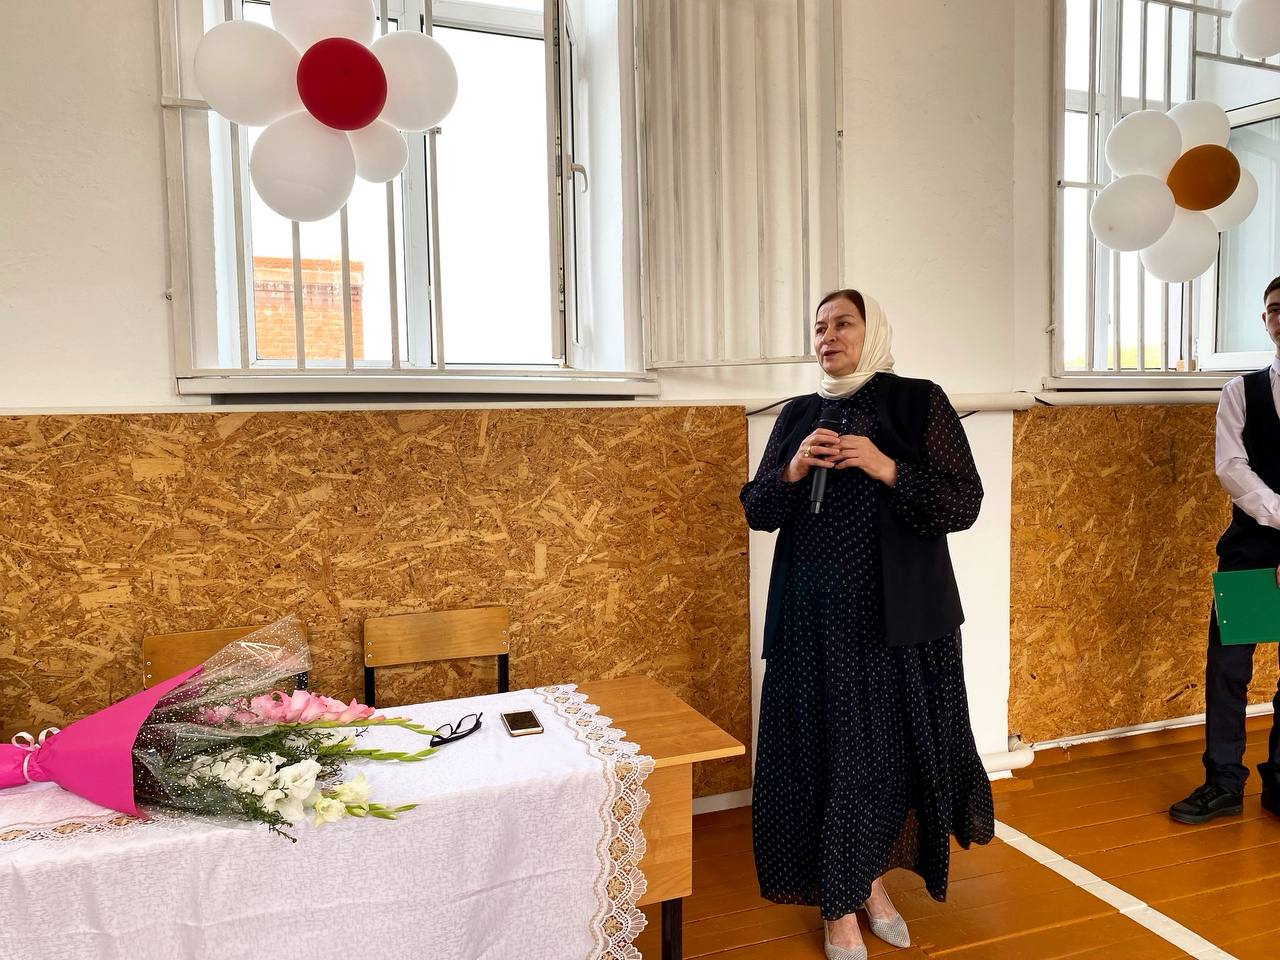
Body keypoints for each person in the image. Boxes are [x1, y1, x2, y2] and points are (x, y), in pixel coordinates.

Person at [741, 289, 994, 959]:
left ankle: (868, 882)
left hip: (894, 624)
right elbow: (758, 510)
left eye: (842, 323)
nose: (828, 336)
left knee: (881, 762)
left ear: (871, 331)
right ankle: (839, 909)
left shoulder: (918, 402)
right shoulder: (799, 414)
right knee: (823, 761)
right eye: (819, 327)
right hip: (810, 624)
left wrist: (887, 468)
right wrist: (793, 468)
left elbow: (963, 502)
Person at [1169, 275, 1280, 826]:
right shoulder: (1241, 391)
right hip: (1251, 547)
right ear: (1265, 321)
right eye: (1276, 309)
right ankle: (1223, 781)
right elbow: (1231, 467)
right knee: (1229, 665)